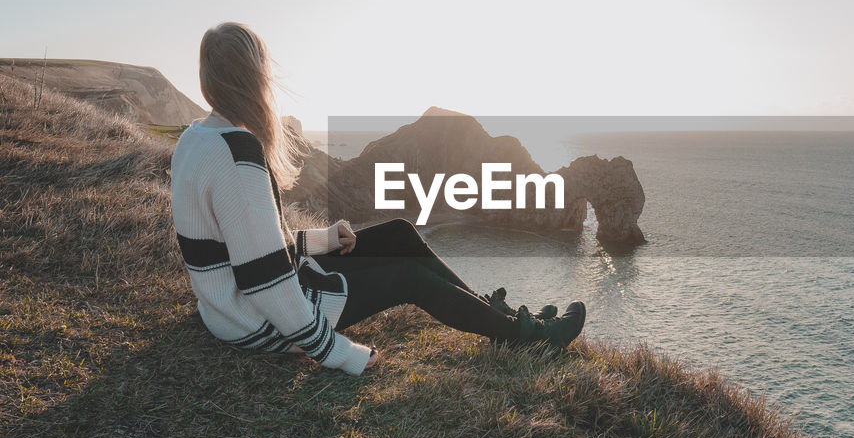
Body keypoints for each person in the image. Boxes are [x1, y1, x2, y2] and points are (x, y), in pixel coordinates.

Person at [169, 22, 586, 375]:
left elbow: (248, 245)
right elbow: (265, 279)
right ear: (255, 79)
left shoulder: (196, 138)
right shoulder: (237, 151)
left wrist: (325, 240)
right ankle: (529, 339)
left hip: (228, 308)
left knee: (400, 234)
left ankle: (504, 317)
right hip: (255, 321)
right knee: (410, 278)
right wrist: (337, 353)